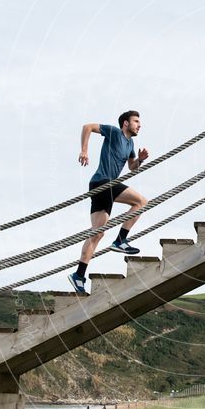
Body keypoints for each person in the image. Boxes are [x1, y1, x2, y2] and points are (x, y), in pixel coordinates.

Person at [67, 110, 150, 293]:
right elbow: (87, 127)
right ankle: (120, 240)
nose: (139, 125)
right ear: (126, 124)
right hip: (104, 182)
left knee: (97, 234)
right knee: (141, 202)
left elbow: (131, 168)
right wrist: (84, 150)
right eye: (136, 121)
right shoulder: (114, 132)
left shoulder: (131, 143)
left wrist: (140, 160)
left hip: (101, 186)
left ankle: (79, 275)